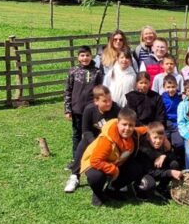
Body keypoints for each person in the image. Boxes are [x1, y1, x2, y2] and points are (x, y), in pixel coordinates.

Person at [80, 108, 149, 206]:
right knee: (96, 177)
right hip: (94, 163)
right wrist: (114, 170)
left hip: (115, 162)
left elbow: (145, 129)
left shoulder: (133, 133)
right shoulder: (107, 139)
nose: (127, 128)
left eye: (131, 125)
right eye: (124, 124)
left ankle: (112, 189)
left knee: (135, 168)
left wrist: (160, 134)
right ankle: (98, 193)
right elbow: (95, 161)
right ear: (118, 123)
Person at [63, 45, 103, 193]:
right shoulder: (73, 71)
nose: (84, 58)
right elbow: (68, 90)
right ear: (78, 57)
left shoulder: (97, 72)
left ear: (91, 56)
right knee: (76, 135)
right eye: (82, 56)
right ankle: (76, 160)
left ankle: (92, 158)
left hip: (91, 111)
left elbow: (100, 90)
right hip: (77, 110)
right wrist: (68, 109)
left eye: (87, 55)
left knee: (91, 135)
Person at [67, 86, 120, 193]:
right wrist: (95, 143)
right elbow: (86, 131)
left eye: (110, 100)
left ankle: (116, 178)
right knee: (82, 146)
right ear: (96, 101)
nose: (109, 103)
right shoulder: (89, 110)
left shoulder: (116, 109)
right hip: (93, 139)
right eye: (105, 101)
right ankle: (75, 176)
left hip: (110, 140)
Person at [136, 121, 183, 199]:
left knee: (174, 163)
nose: (158, 141)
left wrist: (164, 155)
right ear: (148, 137)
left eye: (160, 138)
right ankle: (138, 188)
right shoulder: (144, 150)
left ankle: (161, 188)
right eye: (155, 138)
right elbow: (150, 172)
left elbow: (173, 157)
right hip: (145, 173)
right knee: (150, 185)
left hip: (156, 170)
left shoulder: (164, 144)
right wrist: (170, 172)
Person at [159, 74, 185, 149]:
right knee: (165, 144)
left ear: (177, 86)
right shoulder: (161, 99)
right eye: (168, 87)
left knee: (179, 144)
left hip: (177, 124)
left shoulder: (180, 98)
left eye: (173, 87)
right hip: (166, 123)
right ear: (164, 87)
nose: (171, 89)